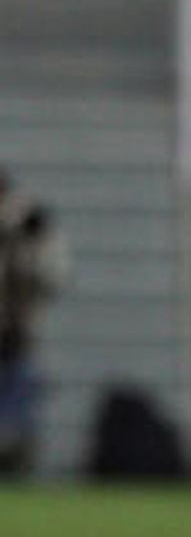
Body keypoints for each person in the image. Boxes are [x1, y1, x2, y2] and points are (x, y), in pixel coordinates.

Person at [0, 167, 67, 473]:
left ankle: (17, 467)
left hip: (18, 332)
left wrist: (26, 242)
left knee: (19, 415)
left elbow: (53, 276)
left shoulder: (29, 220)